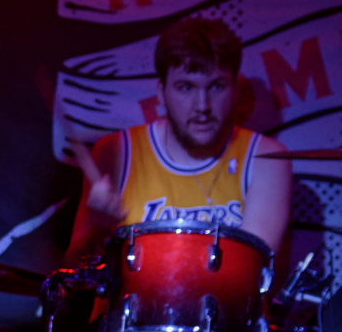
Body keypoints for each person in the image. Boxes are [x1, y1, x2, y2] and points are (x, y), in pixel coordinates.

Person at [67, 16, 291, 263]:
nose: (203, 106)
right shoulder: (116, 152)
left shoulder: (266, 158)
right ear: (161, 92)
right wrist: (99, 231)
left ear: (235, 90)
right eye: (186, 87)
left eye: (216, 86)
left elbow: (250, 269)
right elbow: (74, 268)